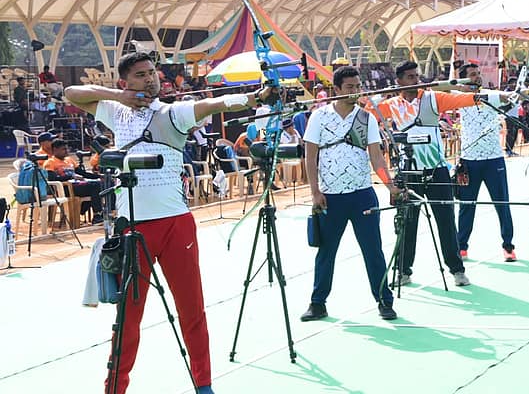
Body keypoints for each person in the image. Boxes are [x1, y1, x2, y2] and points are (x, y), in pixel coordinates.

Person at [65, 51, 273, 394]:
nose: (151, 79)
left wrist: (254, 97)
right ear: (125, 82)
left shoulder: (173, 113)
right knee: (128, 319)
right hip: (133, 226)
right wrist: (119, 97)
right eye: (141, 75)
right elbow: (71, 94)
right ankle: (114, 388)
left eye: (153, 73)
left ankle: (203, 384)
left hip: (176, 225)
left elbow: (215, 106)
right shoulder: (115, 111)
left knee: (191, 309)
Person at [301, 65, 399, 322]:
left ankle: (383, 301)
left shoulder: (366, 118)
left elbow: (376, 156)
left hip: (362, 194)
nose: (355, 92)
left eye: (357, 87)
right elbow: (310, 157)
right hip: (330, 197)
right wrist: (315, 193)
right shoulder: (319, 117)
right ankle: (318, 302)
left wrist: (390, 186)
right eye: (349, 88)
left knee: (373, 250)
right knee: (326, 251)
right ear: (336, 89)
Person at [373, 60, 479, 287]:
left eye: (416, 76)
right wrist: (371, 99)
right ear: (399, 81)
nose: (415, 80)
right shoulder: (391, 104)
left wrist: (478, 96)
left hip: (437, 170)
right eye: (409, 77)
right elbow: (366, 114)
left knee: (446, 221)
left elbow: (462, 100)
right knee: (407, 223)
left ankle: (457, 270)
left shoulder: (432, 98)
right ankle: (403, 271)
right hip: (409, 171)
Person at [454, 63, 516, 261]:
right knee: (466, 205)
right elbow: (444, 90)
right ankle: (461, 247)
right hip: (469, 161)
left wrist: (510, 95)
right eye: (472, 75)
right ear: (463, 79)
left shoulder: (491, 95)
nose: (477, 77)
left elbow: (511, 101)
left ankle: (508, 246)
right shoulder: (459, 97)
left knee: (502, 203)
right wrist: (464, 88)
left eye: (478, 74)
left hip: (493, 160)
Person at [42, 138, 105, 224]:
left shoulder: (70, 160)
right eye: (63, 149)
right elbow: (52, 179)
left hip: (78, 186)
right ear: (55, 150)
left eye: (66, 148)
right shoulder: (50, 162)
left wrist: (99, 176)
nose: (66, 151)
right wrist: (70, 176)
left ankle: (100, 212)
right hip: (64, 189)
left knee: (102, 184)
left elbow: (83, 173)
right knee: (95, 186)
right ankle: (97, 215)